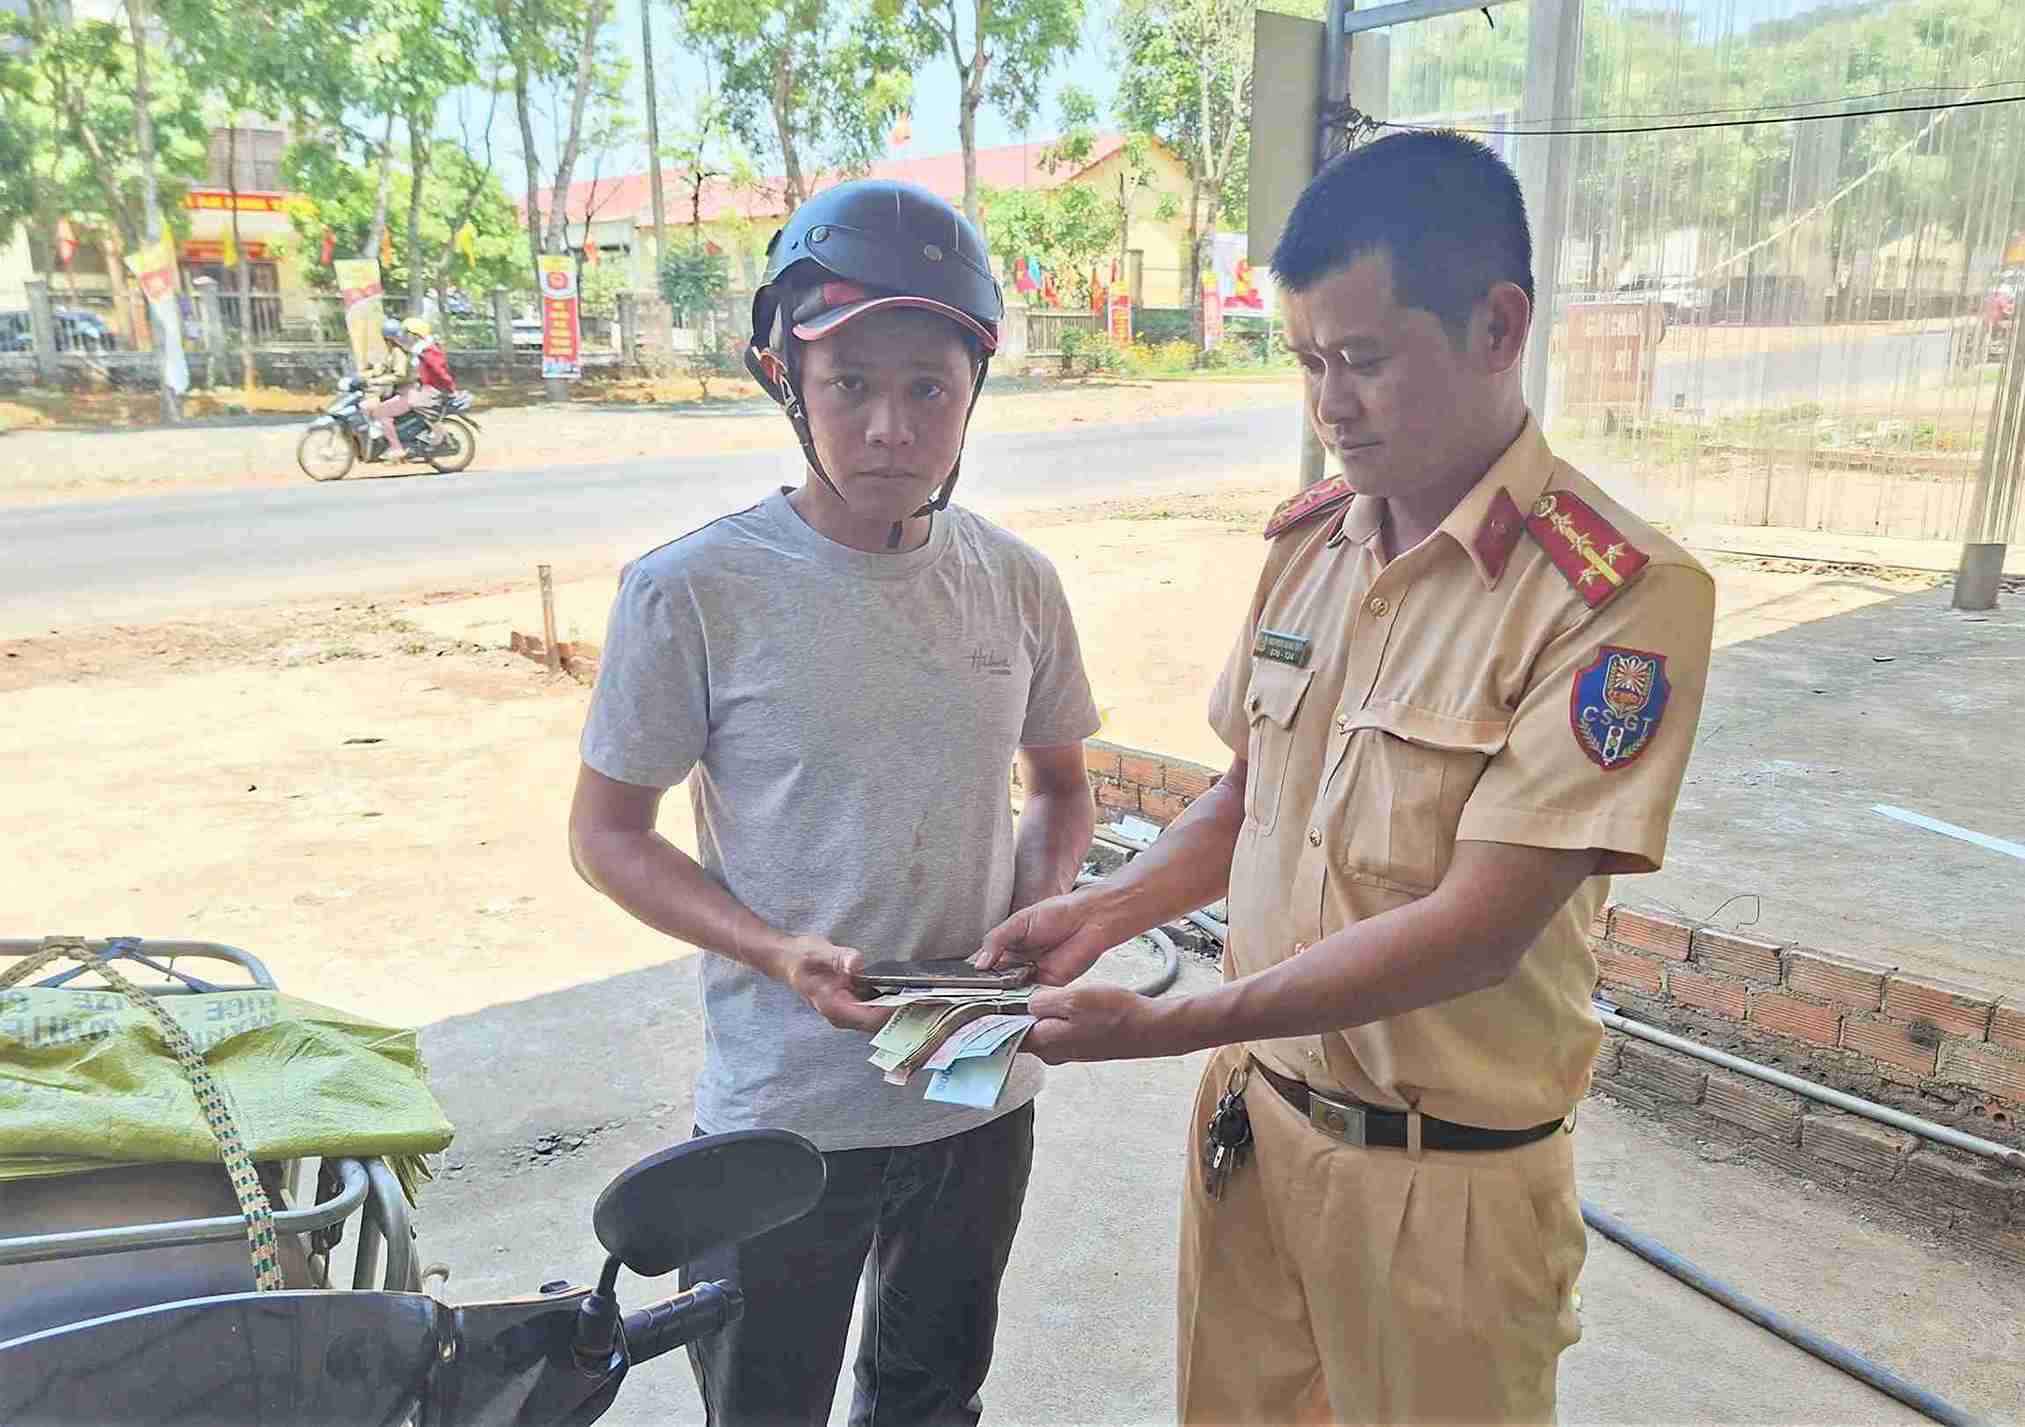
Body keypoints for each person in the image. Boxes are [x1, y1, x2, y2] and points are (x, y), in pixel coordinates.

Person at [977, 130, 1717, 1425]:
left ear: (1498, 326)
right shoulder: (1310, 544)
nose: (1329, 403)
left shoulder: (1613, 600)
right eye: (1307, 360)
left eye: (1365, 359)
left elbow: (1475, 931)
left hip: (1444, 1193)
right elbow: (1244, 795)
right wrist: (1098, 915)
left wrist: (1180, 1021)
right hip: (1255, 1135)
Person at [568, 178, 1101, 1427]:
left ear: (976, 392)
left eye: (929, 387)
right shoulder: (691, 593)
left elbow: (1061, 788)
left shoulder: (1018, 584)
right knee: (764, 1406)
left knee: (930, 1399)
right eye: (849, 383)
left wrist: (1038, 909)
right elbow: (605, 834)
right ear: (782, 380)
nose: (889, 427)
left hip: (978, 1094)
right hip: (781, 1117)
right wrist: (771, 947)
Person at [364, 316, 456, 462]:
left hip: (410, 393)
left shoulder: (404, 351)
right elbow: (383, 368)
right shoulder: (408, 349)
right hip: (411, 391)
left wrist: (377, 381)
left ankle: (396, 448)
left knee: (379, 412)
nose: (405, 337)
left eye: (407, 334)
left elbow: (401, 374)